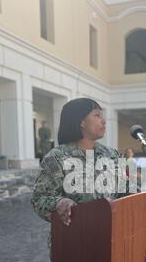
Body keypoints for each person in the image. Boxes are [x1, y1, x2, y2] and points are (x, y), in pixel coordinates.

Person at [31, 98, 128, 246]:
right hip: (73, 243)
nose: (104, 120)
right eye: (97, 115)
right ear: (81, 121)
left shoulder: (111, 154)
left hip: (111, 239)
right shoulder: (57, 157)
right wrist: (59, 203)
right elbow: (39, 198)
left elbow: (124, 190)